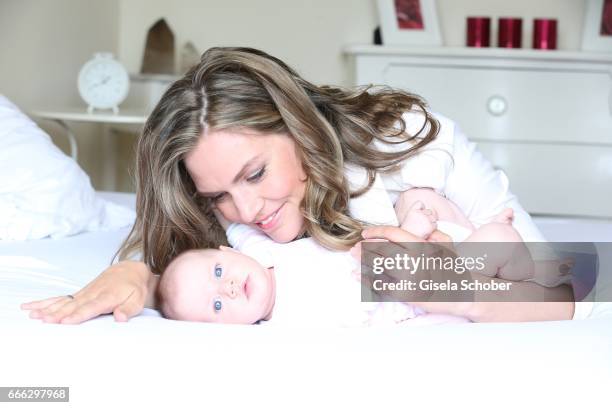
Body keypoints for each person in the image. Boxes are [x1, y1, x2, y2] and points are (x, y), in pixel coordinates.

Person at [21, 46, 576, 324]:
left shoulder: (411, 143)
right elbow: (193, 277)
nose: (244, 209)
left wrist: (443, 288)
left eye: (255, 174)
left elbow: (570, 290)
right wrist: (138, 274)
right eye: (217, 195)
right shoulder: (225, 217)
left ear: (300, 129)